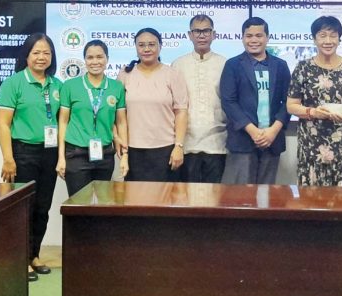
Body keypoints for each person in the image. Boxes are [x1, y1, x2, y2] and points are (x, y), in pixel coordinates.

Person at [0, 32, 62, 281]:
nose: (41, 57)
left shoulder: (57, 86)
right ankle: (20, 259)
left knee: (42, 207)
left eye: (46, 52)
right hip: (22, 152)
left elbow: (62, 121)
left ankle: (34, 255)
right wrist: (8, 158)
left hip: (50, 153)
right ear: (26, 55)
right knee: (24, 208)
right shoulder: (12, 83)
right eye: (36, 52)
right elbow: (3, 124)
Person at [286, 16, 342, 186]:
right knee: (311, 200)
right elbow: (291, 106)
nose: (328, 41)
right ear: (314, 39)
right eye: (322, 35)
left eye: (333, 35)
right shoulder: (303, 68)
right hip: (311, 143)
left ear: (339, 39)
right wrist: (313, 112)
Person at [220, 17, 291, 184]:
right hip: (243, 140)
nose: (253, 40)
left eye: (258, 35)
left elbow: (289, 101)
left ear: (267, 37)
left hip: (272, 140)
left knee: (267, 195)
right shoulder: (233, 65)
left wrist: (273, 131)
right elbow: (229, 101)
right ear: (243, 38)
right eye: (249, 35)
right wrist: (253, 131)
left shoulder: (280, 66)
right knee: (243, 196)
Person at [56, 40, 128, 196]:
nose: (95, 62)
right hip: (76, 154)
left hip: (105, 155)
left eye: (99, 57)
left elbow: (121, 122)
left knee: (102, 207)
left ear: (107, 59)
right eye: (90, 57)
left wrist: (125, 156)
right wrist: (61, 157)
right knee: (78, 205)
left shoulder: (116, 87)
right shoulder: (70, 86)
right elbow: (62, 122)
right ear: (85, 60)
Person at [118, 28, 188, 182]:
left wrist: (179, 146)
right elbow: (119, 114)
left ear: (160, 46)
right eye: (141, 45)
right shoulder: (124, 74)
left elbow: (181, 112)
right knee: (135, 201)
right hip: (133, 150)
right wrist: (122, 148)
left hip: (166, 149)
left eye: (152, 44)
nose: (147, 49)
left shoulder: (173, 74)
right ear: (136, 47)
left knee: (164, 202)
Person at [171, 15, 228, 183]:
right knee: (188, 199)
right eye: (197, 31)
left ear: (214, 34)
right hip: (186, 144)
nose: (201, 35)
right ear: (190, 35)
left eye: (206, 31)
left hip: (217, 143)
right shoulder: (177, 65)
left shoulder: (225, 64)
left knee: (214, 197)